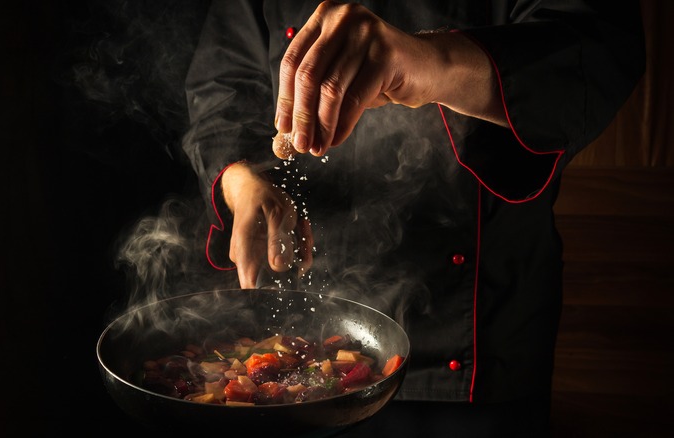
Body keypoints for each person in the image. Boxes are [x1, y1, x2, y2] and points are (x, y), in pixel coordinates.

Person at [181, 1, 646, 436]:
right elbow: (223, 85)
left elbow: (596, 45)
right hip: (299, 333)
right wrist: (242, 182)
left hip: (478, 349)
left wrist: (434, 61)